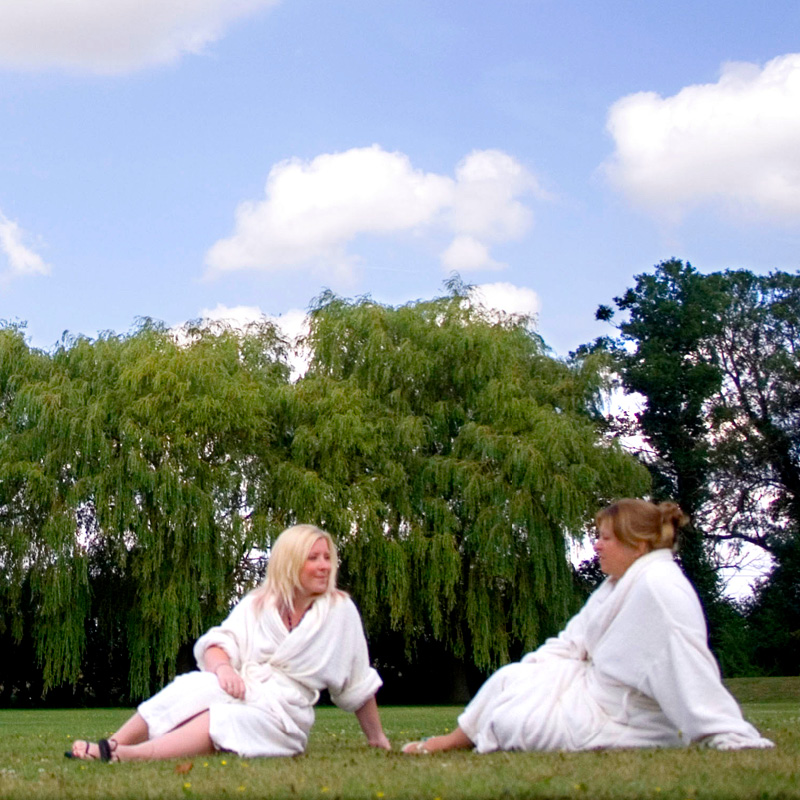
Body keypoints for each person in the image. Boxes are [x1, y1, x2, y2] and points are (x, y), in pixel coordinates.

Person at [403, 499, 774, 754]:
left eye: (606, 539)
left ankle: (455, 742)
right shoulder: (616, 584)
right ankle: (453, 740)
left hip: (620, 715)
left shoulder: (660, 589)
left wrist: (724, 731)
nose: (596, 547)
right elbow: (572, 640)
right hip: (589, 687)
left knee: (518, 721)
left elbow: (686, 663)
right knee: (508, 680)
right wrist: (533, 672)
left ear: (639, 544)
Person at [68, 524, 391, 762]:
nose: (324, 566)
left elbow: (357, 680)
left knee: (222, 718)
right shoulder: (259, 603)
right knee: (194, 685)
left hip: (285, 716)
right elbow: (219, 643)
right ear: (290, 562)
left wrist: (377, 739)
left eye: (327, 558)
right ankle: (112, 743)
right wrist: (224, 670)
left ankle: (130, 756)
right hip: (248, 689)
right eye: (313, 558)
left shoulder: (339, 610)